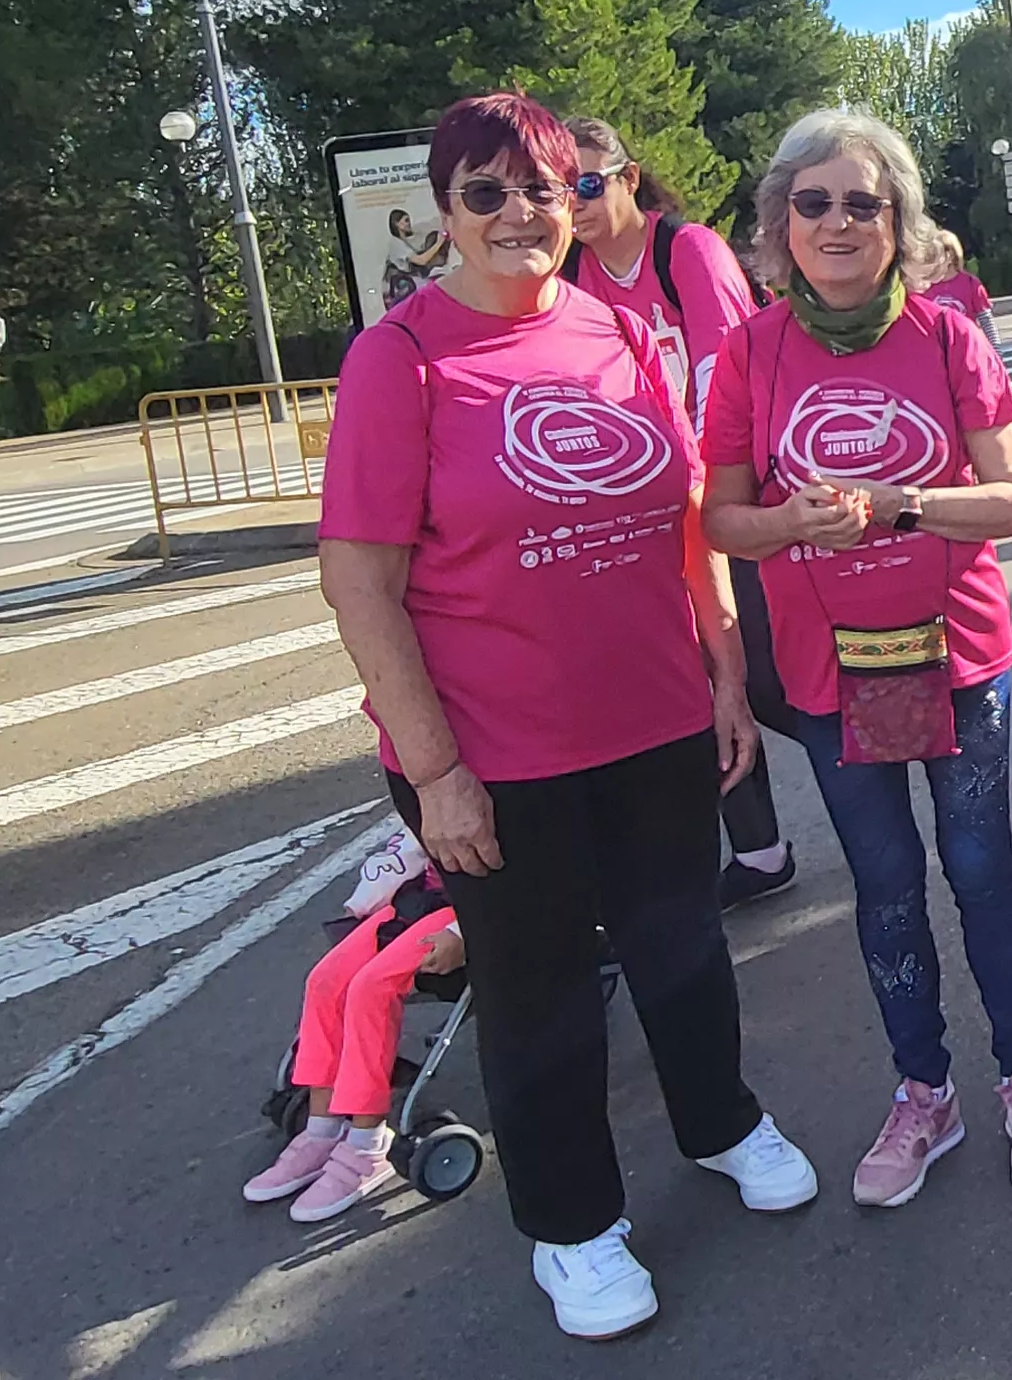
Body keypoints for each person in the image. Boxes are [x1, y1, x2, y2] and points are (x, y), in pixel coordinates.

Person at [319, 92, 818, 1341]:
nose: (521, 214)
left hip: (653, 721)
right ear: (444, 213)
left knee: (685, 952)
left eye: (545, 188)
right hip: (495, 755)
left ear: (583, 199)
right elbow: (360, 580)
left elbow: (686, 523)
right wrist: (434, 773)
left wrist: (721, 673)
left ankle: (720, 1123)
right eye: (484, 192)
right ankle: (573, 1227)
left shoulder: (623, 334)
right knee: (538, 996)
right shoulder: (403, 360)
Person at [701, 106, 1012, 1209]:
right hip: (831, 673)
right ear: (777, 224)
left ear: (896, 221)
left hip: (955, 659)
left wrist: (898, 505)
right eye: (810, 202)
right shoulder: (746, 352)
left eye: (861, 202)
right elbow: (720, 520)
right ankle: (924, 1090)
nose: (835, 222)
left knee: (979, 869)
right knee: (885, 886)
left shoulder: (949, 338)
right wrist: (790, 526)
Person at [555, 115, 799, 908]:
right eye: (563, 189)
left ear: (628, 179)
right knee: (688, 684)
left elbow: (723, 381)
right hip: (653, 505)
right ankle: (759, 853)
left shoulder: (684, 250)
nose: (576, 203)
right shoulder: (575, 278)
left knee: (757, 677)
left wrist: (684, 483)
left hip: (732, 494)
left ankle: (860, 764)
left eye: (588, 183)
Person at [244, 828, 466, 1222]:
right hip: (423, 899)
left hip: (479, 909)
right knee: (326, 981)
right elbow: (409, 843)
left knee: (371, 989)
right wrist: (365, 898)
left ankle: (367, 1143)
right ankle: (321, 1129)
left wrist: (461, 932)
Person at [928, 232, 996, 336]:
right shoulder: (924, 286)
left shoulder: (970, 283)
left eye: (937, 253)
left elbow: (986, 321)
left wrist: (995, 350)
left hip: (967, 344)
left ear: (950, 254)